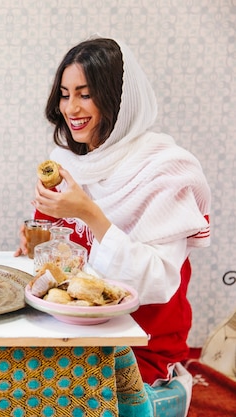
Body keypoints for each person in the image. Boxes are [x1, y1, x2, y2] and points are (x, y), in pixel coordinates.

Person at [14, 37, 211, 388]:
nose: (71, 108)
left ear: (117, 98)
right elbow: (64, 261)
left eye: (85, 94)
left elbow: (160, 281)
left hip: (139, 342)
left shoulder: (164, 170)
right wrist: (39, 247)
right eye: (64, 93)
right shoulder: (66, 162)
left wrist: (90, 214)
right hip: (70, 331)